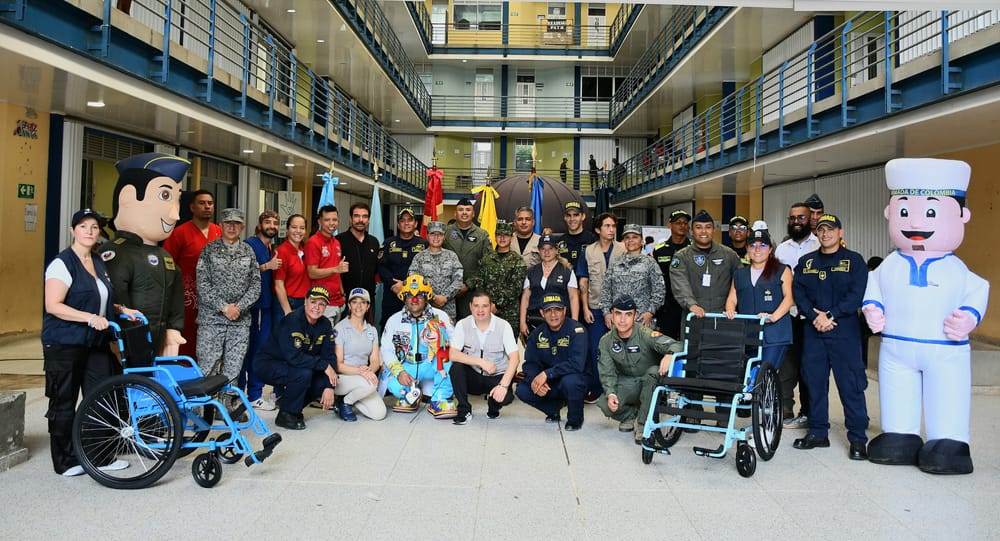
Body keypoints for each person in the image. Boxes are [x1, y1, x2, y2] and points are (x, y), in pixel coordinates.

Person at [862, 158, 989, 474]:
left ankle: (949, 441)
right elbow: (873, 287)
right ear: (891, 214)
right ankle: (901, 434)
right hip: (896, 349)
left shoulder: (954, 268)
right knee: (896, 391)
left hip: (944, 349)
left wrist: (969, 317)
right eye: (904, 211)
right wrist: (873, 309)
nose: (916, 222)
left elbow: (978, 290)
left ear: (962, 216)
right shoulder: (890, 264)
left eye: (931, 212)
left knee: (946, 394)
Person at [42, 209, 139, 476]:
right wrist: (89, 318)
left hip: (95, 342)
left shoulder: (97, 261)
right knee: (64, 401)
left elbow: (100, 297)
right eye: (83, 226)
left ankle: (100, 455)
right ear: (73, 231)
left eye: (94, 227)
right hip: (65, 343)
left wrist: (121, 310)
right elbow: (53, 305)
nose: (89, 231)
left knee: (102, 396)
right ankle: (66, 461)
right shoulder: (62, 264)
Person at [792, 214, 869, 460]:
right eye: (822, 230)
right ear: (817, 233)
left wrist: (830, 314)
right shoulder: (806, 262)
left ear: (840, 232)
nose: (826, 234)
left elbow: (856, 295)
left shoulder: (854, 261)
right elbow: (798, 291)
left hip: (844, 331)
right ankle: (818, 432)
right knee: (814, 383)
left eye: (831, 229)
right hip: (814, 331)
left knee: (851, 385)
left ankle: (857, 439)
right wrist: (814, 316)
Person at [102, 152, 189, 356]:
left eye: (177, 199)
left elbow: (175, 295)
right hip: (126, 340)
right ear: (128, 197)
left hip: (157, 337)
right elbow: (114, 298)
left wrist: (173, 328)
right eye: (165, 196)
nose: (175, 214)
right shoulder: (115, 253)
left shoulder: (164, 256)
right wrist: (117, 336)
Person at [597, 295, 681, 443]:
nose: (622, 320)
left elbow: (677, 345)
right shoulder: (606, 341)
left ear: (635, 315)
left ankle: (643, 424)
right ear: (612, 315)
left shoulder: (645, 334)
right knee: (605, 404)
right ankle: (630, 415)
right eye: (618, 314)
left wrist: (670, 354)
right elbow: (607, 372)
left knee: (653, 372)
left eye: (628, 314)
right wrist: (610, 394)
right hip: (629, 382)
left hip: (650, 381)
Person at [254, 286, 339, 431]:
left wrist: (329, 386)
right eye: (313, 302)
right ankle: (286, 415)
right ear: (305, 302)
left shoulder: (325, 324)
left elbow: (329, 356)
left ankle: (289, 406)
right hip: (268, 365)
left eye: (321, 304)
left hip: (296, 366)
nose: (316, 308)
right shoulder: (292, 321)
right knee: (304, 374)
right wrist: (324, 366)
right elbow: (294, 357)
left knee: (320, 382)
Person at [195, 208, 261, 385]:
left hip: (239, 322)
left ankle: (227, 410)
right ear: (221, 225)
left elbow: (255, 285)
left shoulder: (248, 251)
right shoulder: (209, 250)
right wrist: (224, 308)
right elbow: (202, 284)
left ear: (242, 227)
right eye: (228, 223)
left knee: (233, 371)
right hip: (212, 320)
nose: (232, 227)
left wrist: (238, 307)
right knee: (206, 369)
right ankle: (202, 411)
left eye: (236, 223)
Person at [380, 274, 457, 418]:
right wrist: (399, 372)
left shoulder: (441, 316)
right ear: (404, 297)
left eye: (419, 295)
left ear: (426, 296)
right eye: (409, 295)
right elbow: (386, 349)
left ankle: (440, 397)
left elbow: (454, 345)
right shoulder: (394, 320)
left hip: (431, 366)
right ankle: (411, 394)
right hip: (406, 367)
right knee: (394, 386)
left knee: (446, 352)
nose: (414, 300)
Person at [774, 202, 820, 429]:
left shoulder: (820, 244)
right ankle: (785, 408)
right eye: (792, 218)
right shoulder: (782, 250)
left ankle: (809, 411)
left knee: (810, 366)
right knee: (786, 364)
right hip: (788, 315)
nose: (796, 222)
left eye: (801, 218)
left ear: (810, 218)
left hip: (812, 316)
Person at [723, 223, 794, 371]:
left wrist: (774, 316)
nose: (757, 249)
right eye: (752, 245)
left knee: (765, 375)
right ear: (747, 249)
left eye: (762, 245)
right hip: (748, 335)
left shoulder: (782, 270)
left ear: (770, 249)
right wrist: (730, 310)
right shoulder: (740, 274)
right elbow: (732, 298)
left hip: (774, 335)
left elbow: (790, 298)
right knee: (749, 377)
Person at [162, 189, 221, 359]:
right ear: (192, 207)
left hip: (213, 299)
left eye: (210, 203)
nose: (207, 207)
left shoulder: (219, 232)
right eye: (202, 203)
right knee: (186, 338)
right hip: (187, 298)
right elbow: (167, 264)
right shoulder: (179, 233)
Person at [516, 294, 587, 431]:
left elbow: (577, 364)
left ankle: (575, 418)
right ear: (542, 313)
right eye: (548, 310)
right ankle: (553, 409)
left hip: (572, 378)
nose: (553, 314)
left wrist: (547, 374)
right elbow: (530, 364)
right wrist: (535, 380)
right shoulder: (537, 334)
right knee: (522, 390)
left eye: (557, 309)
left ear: (565, 310)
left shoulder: (577, 330)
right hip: (550, 383)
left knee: (571, 382)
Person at [448, 290, 521, 424]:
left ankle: (493, 408)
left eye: (485, 306)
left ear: (491, 306)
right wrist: (481, 362)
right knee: (456, 368)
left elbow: (515, 358)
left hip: (496, 376)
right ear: (470, 306)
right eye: (476, 306)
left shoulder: (503, 326)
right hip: (474, 375)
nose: (480, 310)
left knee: (506, 397)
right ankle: (464, 410)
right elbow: (453, 354)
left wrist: (503, 386)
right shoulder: (462, 324)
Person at [577, 212, 624, 403]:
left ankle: (619, 389)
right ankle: (596, 388)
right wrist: (585, 308)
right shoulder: (588, 251)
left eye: (613, 226)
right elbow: (583, 282)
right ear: (598, 229)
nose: (611, 229)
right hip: (595, 309)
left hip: (620, 309)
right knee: (596, 350)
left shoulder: (623, 249)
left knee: (619, 349)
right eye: (607, 226)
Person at [669, 210, 742, 319]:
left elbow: (740, 279)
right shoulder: (682, 257)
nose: (703, 231)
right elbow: (680, 284)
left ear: (713, 230)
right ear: (692, 231)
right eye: (698, 227)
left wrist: (731, 307)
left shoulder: (729, 254)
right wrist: (692, 305)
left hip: (723, 316)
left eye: (708, 227)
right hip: (694, 316)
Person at [333, 288, 386, 421]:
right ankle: (345, 401)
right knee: (371, 384)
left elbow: (374, 360)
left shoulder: (372, 330)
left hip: (362, 378)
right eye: (355, 302)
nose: (358, 306)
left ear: (368, 306)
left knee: (379, 414)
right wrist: (361, 372)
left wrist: (370, 370)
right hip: (343, 378)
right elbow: (337, 365)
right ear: (349, 305)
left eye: (363, 302)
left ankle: (353, 396)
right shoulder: (339, 328)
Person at [599, 223, 665, 330]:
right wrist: (606, 313)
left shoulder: (650, 263)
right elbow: (606, 290)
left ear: (642, 240)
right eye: (627, 238)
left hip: (642, 320)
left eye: (635, 237)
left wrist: (650, 312)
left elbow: (659, 290)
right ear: (623, 241)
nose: (631, 240)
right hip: (618, 320)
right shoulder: (615, 263)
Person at [469, 220, 527, 326]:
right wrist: (487, 305)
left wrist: (497, 305)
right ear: (495, 237)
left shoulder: (518, 261)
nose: (502, 238)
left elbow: (515, 288)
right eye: (499, 235)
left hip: (509, 314)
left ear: (512, 237)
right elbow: (480, 283)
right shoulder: (486, 259)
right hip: (485, 311)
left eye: (506, 235)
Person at [377, 207, 428, 328]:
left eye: (410, 220)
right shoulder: (388, 243)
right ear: (398, 224)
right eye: (402, 220)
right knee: (390, 327)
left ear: (415, 224)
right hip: (392, 294)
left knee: (416, 328)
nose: (406, 223)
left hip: (416, 296)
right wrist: (392, 284)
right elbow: (381, 266)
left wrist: (406, 285)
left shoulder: (424, 244)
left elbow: (427, 269)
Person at [520, 234, 580, 337]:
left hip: (560, 322)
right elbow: (525, 297)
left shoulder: (567, 270)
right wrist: (522, 322)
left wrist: (574, 323)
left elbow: (574, 297)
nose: (546, 252)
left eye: (550, 248)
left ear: (557, 250)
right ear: (539, 251)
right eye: (543, 249)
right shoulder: (531, 271)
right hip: (535, 321)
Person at [443, 197, 493, 320]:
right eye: (461, 209)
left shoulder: (482, 235)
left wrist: (468, 284)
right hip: (446, 292)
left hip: (472, 292)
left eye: (468, 210)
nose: (464, 212)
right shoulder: (445, 233)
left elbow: (488, 264)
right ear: (455, 213)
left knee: (470, 330)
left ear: (473, 213)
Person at [408, 221, 464, 320]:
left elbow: (458, 280)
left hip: (448, 312)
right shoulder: (419, 257)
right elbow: (413, 281)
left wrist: (445, 297)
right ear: (427, 236)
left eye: (440, 234)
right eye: (433, 234)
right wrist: (433, 297)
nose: (436, 237)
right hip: (425, 311)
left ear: (444, 237)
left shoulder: (452, 256)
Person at [305, 205, 348, 326]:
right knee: (325, 341)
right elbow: (312, 272)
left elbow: (337, 272)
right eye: (327, 220)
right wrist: (335, 269)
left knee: (336, 340)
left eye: (334, 220)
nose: (331, 223)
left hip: (339, 301)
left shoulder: (336, 242)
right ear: (319, 221)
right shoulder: (314, 242)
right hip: (322, 302)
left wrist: (343, 294)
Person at [653, 209, 692, 339]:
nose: (682, 226)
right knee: (666, 342)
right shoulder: (659, 250)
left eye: (685, 223)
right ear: (670, 225)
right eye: (678, 223)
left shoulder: (694, 249)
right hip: (667, 306)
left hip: (689, 304)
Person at [336, 202, 379, 320]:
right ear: (350, 219)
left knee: (368, 335)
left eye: (365, 216)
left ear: (369, 220)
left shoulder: (374, 242)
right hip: (345, 301)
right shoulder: (338, 241)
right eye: (357, 216)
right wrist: (342, 294)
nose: (361, 220)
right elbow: (334, 271)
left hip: (368, 301)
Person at [274, 214, 310, 315]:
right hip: (287, 303)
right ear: (287, 230)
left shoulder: (305, 250)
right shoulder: (282, 252)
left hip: (303, 303)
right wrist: (287, 311)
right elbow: (278, 285)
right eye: (294, 227)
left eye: (302, 228)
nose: (298, 231)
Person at [557, 201, 596, 272]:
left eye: (576, 215)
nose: (572, 219)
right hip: (565, 282)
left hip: (587, 282)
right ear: (565, 218)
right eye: (569, 215)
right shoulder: (559, 241)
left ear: (583, 216)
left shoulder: (592, 240)